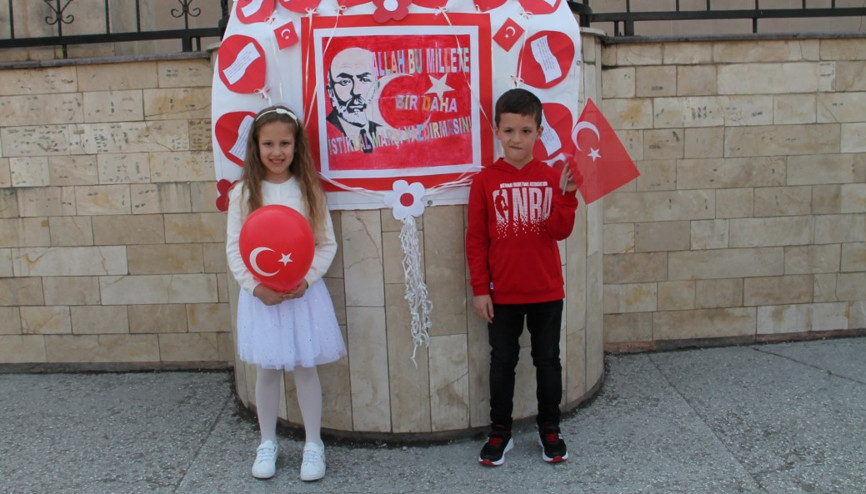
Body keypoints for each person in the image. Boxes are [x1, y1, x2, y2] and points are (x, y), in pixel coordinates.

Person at [225, 105, 346, 482]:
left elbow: (326, 244)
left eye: (285, 143)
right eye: (268, 143)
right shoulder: (244, 192)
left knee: (305, 368)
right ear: (255, 146)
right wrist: (256, 287)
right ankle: (267, 442)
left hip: (302, 296)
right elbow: (234, 247)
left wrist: (305, 281)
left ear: (297, 146)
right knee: (268, 369)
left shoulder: (310, 190)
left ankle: (313, 444)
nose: (277, 151)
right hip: (262, 298)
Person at [465, 88, 578, 467]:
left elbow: (560, 231)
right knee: (502, 362)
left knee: (548, 360)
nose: (517, 139)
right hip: (502, 294)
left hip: (547, 290)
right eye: (509, 130)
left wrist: (567, 196)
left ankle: (550, 429)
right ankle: (500, 430)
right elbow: (476, 240)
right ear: (496, 130)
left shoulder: (550, 177)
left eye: (526, 131)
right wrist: (481, 288)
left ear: (539, 131)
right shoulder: (484, 181)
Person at [325, 46, 382, 153]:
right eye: (345, 82)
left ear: (376, 88)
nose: (356, 91)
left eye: (364, 80)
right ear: (331, 93)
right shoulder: (323, 133)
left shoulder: (386, 132)